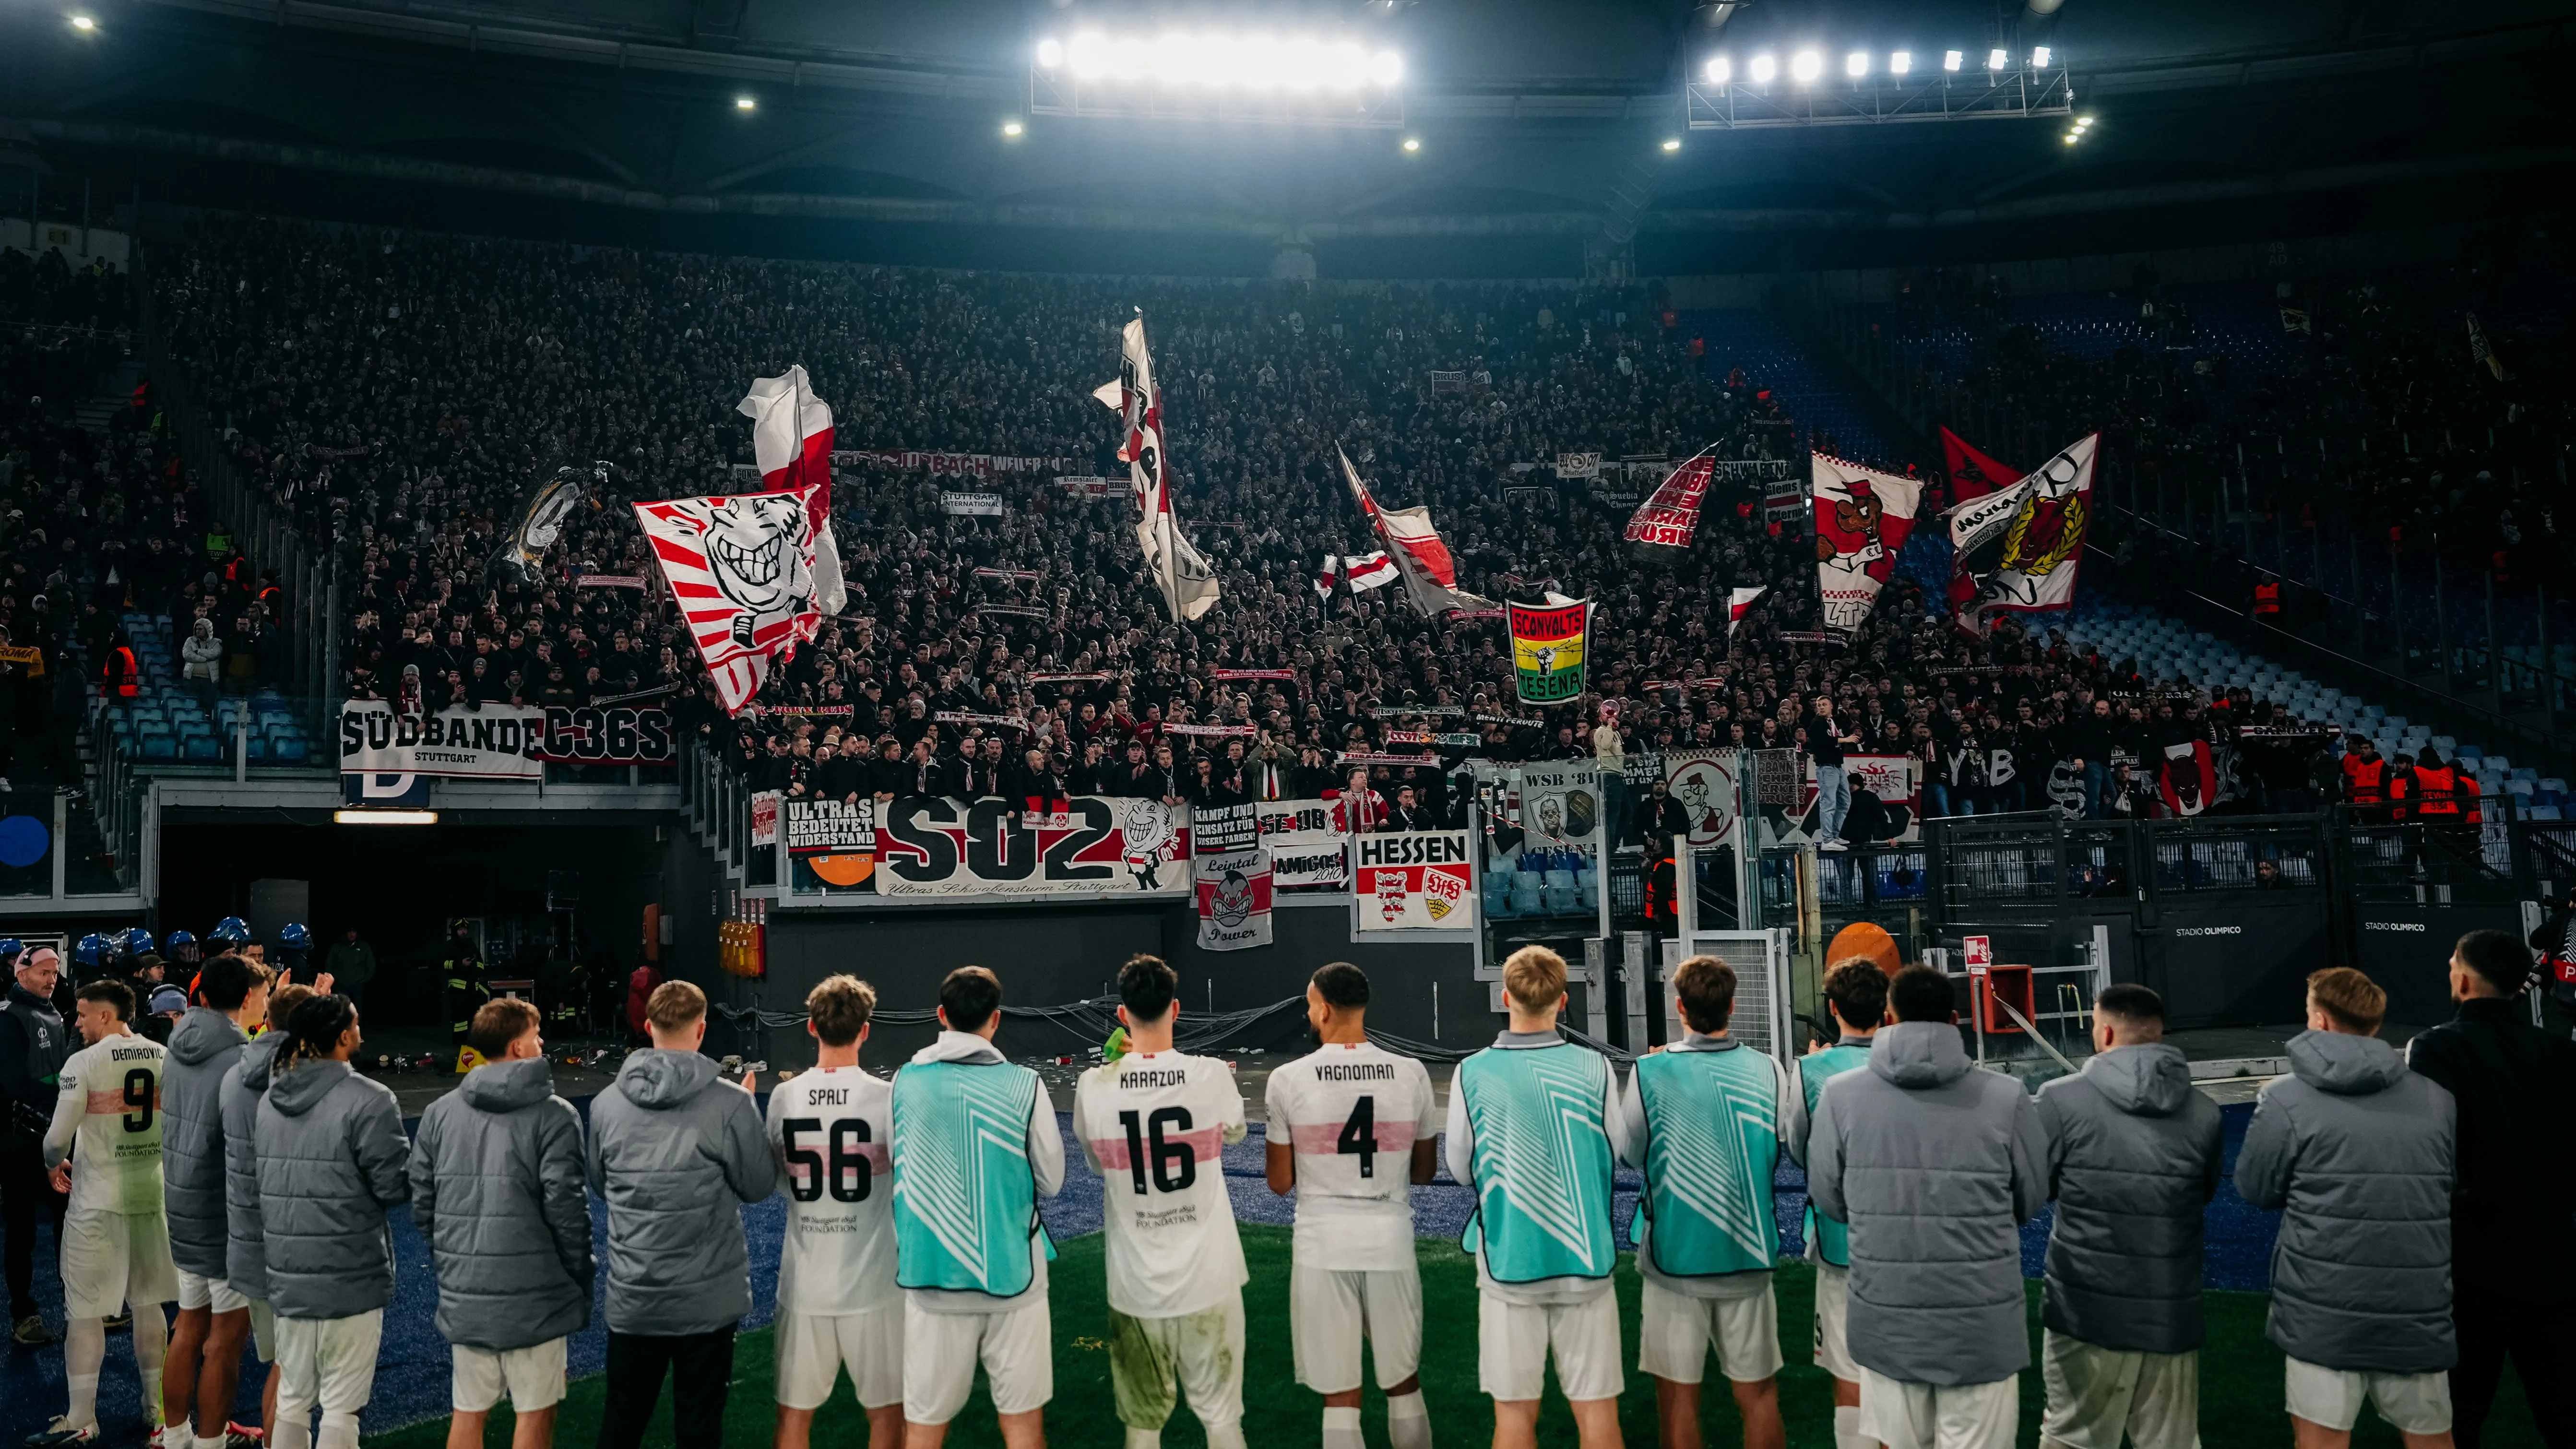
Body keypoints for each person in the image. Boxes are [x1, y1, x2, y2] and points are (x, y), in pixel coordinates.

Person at [1806, 964, 2048, 1449]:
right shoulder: (2007, 1096)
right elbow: (2031, 1196)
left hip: (1886, 1319)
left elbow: (1830, 1197)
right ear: (1954, 1018)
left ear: (1890, 1016)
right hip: (1980, 1327)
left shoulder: (1840, 1095)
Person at [2235, 967, 2458, 1449]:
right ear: (2373, 1024)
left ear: (2318, 1018)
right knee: (2431, 1438)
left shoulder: (2283, 1098)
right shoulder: (2437, 1100)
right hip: (2415, 1301)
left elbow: (2254, 1188)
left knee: (2320, 1441)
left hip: (2321, 1309)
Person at [1445, 945, 1626, 1449]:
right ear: (1562, 1000)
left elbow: (1459, 1169)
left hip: (1509, 1263)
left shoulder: (1471, 1071)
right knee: (1598, 1416)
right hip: (1586, 1260)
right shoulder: (1595, 1068)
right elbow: (1619, 1149)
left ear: (1505, 997)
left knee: (1514, 1417)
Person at [2032, 984, 2224, 1449]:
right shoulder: (2204, 1112)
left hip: (2084, 1307)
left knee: (2072, 1437)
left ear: (2105, 1031)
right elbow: (2202, 1191)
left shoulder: (2059, 1099)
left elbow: (2039, 1186)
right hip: (2168, 1308)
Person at [587, 980, 777, 1449]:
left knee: (622, 1423)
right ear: (701, 1029)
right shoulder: (730, 1103)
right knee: (699, 1426)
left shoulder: (606, 1104)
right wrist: (747, 1111)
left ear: (648, 1026)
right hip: (707, 1299)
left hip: (636, 1297)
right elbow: (757, 1186)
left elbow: (600, 1183)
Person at [2404, 931, 2576, 1448]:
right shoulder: (2558, 1052)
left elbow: (2426, 1151)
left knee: (2455, 1414)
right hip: (2549, 1252)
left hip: (2467, 1259)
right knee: (2562, 1410)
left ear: (2462, 977)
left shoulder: (2437, 1048)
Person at [1073, 955, 1251, 1449]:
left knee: (1143, 1425)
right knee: (1221, 1420)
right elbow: (1235, 1131)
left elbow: (1095, 1163)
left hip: (1136, 1285)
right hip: (1210, 1277)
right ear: (1175, 1009)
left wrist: (1119, 1070)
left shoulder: (1094, 1086)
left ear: (1121, 1014)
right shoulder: (1211, 1075)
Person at [1616, 955, 1793, 1449]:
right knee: (1758, 1394)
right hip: (1748, 1253)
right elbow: (1783, 1146)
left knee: (1677, 1399)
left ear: (1680, 1007)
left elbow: (1629, 1154)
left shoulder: (1650, 1071)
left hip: (1675, 1257)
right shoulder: (1768, 1070)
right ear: (1731, 1005)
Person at [1262, 962, 1440, 1449]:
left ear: (1323, 1007)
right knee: (1403, 1381)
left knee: (1339, 1393)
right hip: (1389, 1236)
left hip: (1323, 1241)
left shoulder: (1287, 1078)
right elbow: (1424, 1171)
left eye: (1308, 1003)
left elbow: (1278, 1181)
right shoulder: (1411, 1072)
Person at [890, 966, 1065, 1449]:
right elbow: (1051, 1181)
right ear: (996, 1018)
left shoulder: (904, 1081)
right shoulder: (1026, 1084)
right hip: (1014, 1277)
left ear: (941, 1015)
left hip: (931, 1278)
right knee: (1023, 1428)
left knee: (924, 1429)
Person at [411, 998, 594, 1449]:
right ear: (516, 1047)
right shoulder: (555, 1115)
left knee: (468, 1415)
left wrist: (451, 1262)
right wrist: (580, 1276)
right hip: (538, 1296)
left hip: (468, 1289)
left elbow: (422, 1203)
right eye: (536, 1034)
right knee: (534, 1419)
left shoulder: (439, 1113)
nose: (543, 1042)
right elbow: (568, 1212)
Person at [25, 980, 179, 1449]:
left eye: (83, 1014)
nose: (77, 1021)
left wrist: (53, 1164)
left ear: (106, 1016)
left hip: (97, 1203)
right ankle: (159, 1416)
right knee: (151, 1303)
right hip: (154, 1200)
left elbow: (56, 1140)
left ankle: (81, 1418)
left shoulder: (82, 1063)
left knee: (85, 1311)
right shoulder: (163, 1055)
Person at [254, 993, 413, 1449]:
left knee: (293, 1399)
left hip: (288, 1270)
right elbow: (393, 1188)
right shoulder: (369, 1098)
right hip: (351, 1272)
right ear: (344, 1036)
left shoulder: (270, 1099)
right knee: (342, 1406)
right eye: (357, 1024)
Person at [764, 976, 901, 1449]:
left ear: (811, 1027)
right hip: (876, 1280)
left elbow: (773, 1177)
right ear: (865, 1030)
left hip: (805, 1282)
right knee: (886, 1418)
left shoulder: (785, 1097)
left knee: (793, 1421)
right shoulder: (887, 1097)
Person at [160, 952, 271, 1449]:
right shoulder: (238, 1060)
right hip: (223, 1216)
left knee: (187, 1326)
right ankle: (209, 1442)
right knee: (225, 1342)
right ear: (248, 997)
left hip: (182, 1206)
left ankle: (177, 1431)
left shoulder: (177, 1044)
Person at [1781, 960, 1886, 1449]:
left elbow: (1799, 1146)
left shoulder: (1809, 1071)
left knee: (1847, 1371)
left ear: (1831, 1007)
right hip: (1908, 1242)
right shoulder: (1905, 1062)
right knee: (1902, 1375)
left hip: (1837, 1237)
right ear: (1885, 1009)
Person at [223, 982, 313, 1449]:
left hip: (249, 1239)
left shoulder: (235, 1073)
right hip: (294, 1247)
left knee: (285, 1366)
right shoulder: (304, 1082)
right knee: (300, 1374)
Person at [3, 944, 71, 1346]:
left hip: (56, 1137)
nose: (51, 979)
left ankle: (77, 1304)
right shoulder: (10, 1019)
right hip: (18, 1144)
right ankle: (23, 1315)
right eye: (44, 971)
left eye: (55, 971)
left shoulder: (55, 1012)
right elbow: (14, 1083)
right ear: (21, 973)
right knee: (22, 1230)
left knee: (71, 1225)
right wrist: (70, 1091)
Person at [442, 933, 490, 1073]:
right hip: (458, 989)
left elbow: (480, 962)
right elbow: (444, 964)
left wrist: (477, 969)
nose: (463, 931)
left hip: (473, 988)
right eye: (461, 929)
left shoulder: (471, 944)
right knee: (459, 1020)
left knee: (473, 1018)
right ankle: (459, 1044)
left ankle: (471, 1044)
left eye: (465, 929)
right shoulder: (450, 946)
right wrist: (460, 964)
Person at [317, 931, 377, 1020]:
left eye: (355, 932)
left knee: (357, 1009)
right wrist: (333, 980)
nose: (352, 935)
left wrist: (364, 979)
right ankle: (341, 1029)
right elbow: (330, 964)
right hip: (341, 984)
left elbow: (371, 966)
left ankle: (355, 1029)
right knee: (341, 1008)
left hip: (358, 984)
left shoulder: (364, 947)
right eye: (350, 932)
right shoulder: (337, 947)